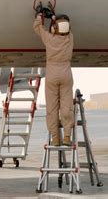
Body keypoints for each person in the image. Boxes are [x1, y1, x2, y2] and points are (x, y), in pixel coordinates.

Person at [33, 12, 75, 146]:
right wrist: (55, 20)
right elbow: (65, 30)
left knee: (52, 108)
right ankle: (67, 136)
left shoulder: (49, 39)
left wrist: (40, 16)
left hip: (52, 73)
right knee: (66, 106)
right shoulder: (70, 38)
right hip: (66, 73)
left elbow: (38, 27)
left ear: (54, 28)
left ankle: (56, 138)